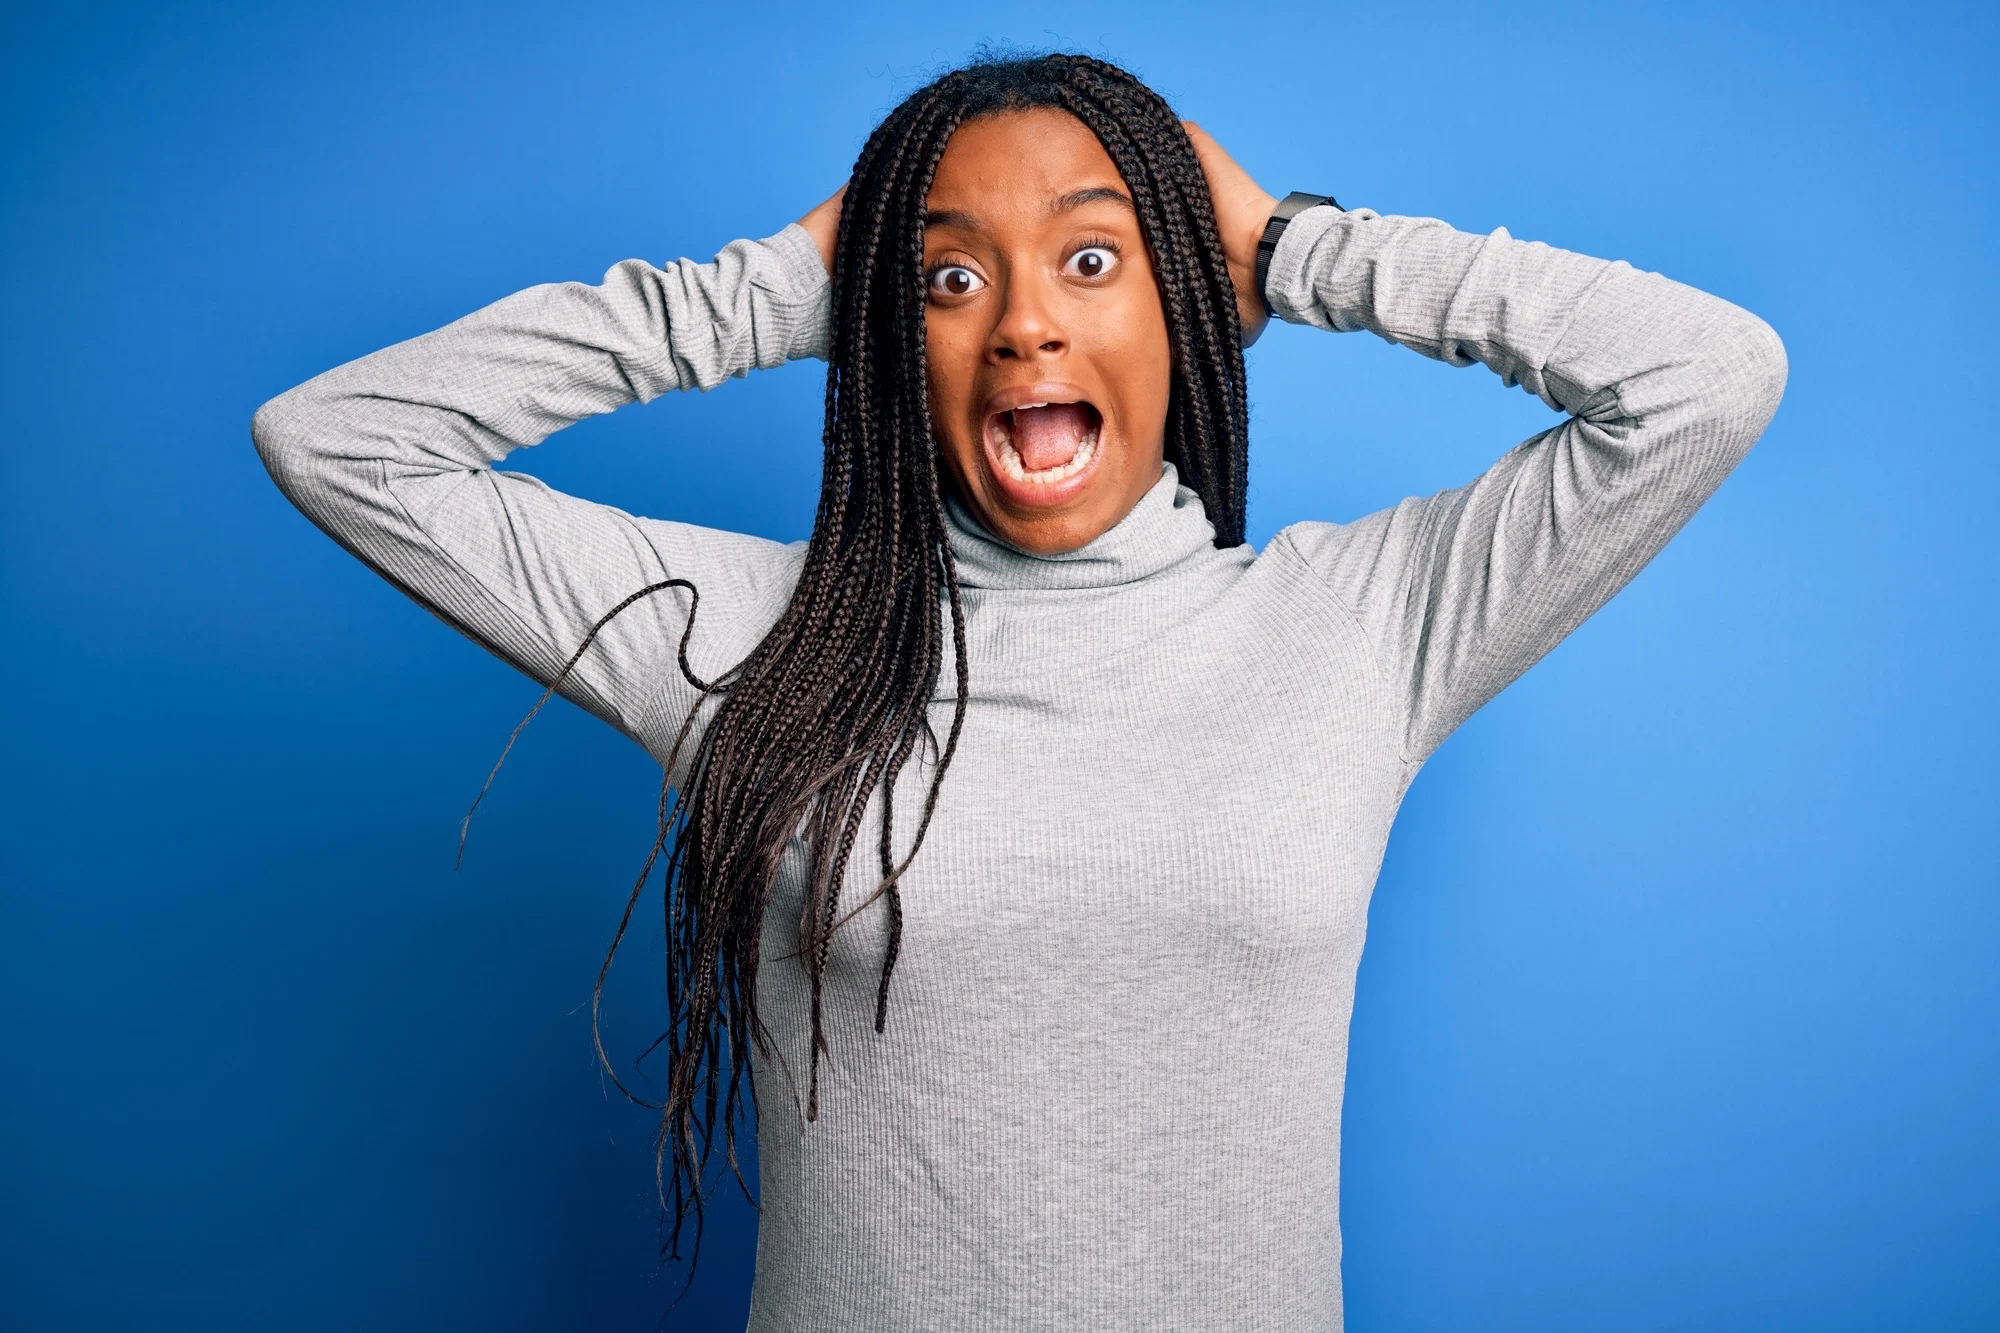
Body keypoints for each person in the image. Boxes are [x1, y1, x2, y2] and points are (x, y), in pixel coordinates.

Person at [251, 51, 1786, 1333]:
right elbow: (340, 440)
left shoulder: (1362, 625)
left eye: (1094, 258)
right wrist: (787, 287)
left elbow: (1707, 377)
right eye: (947, 277)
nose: (1026, 321)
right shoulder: (743, 638)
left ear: (1183, 307)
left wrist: (1294, 250)